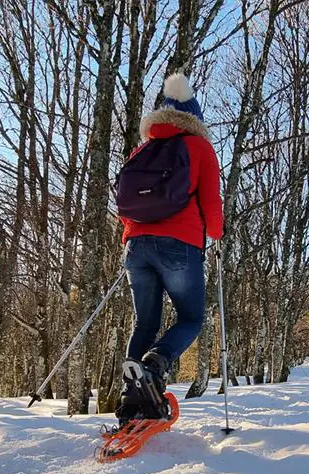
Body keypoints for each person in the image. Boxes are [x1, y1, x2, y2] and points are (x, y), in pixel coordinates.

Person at [115, 73, 224, 426]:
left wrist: (134, 237)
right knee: (191, 317)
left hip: (136, 246)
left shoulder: (141, 149)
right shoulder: (199, 147)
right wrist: (217, 234)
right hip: (181, 244)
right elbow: (211, 202)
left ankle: (132, 400)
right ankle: (156, 364)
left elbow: (126, 202)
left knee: (145, 322)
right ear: (195, 118)